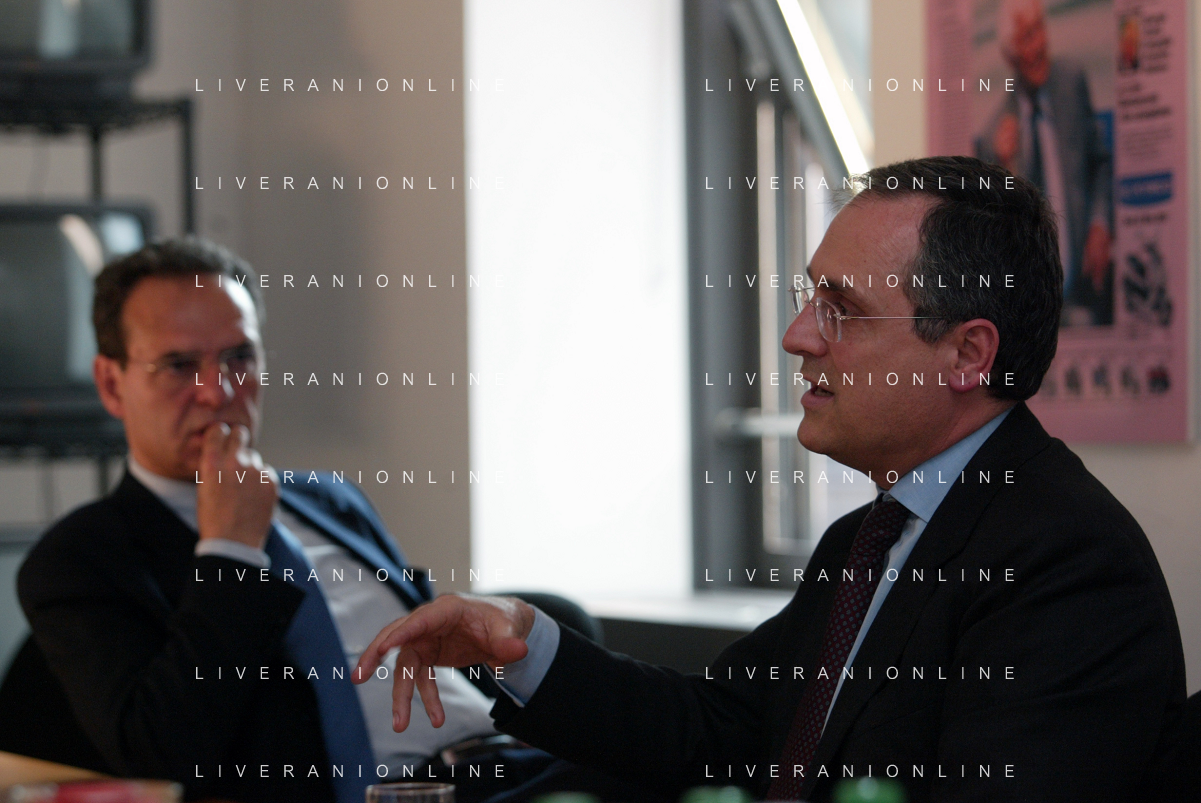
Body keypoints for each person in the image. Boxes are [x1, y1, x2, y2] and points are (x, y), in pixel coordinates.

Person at [354, 157, 1186, 803]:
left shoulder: (1065, 563)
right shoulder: (867, 537)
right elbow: (723, 728)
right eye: (808, 298)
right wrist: (522, 641)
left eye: (841, 310)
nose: (796, 336)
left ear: (967, 353)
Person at [13, 239, 554, 803]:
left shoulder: (329, 497)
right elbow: (164, 753)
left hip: (517, 761)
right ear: (111, 384)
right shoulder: (81, 559)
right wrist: (231, 551)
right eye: (178, 365)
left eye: (239, 357)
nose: (218, 392)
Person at [975, 0, 1114, 325]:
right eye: (1025, 37)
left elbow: (1100, 164)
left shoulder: (1071, 81)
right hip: (1031, 311)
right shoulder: (994, 137)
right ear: (1009, 55)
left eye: (1039, 28)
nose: (1039, 45)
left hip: (1085, 286)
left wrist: (1100, 223)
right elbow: (992, 242)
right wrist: (1003, 167)